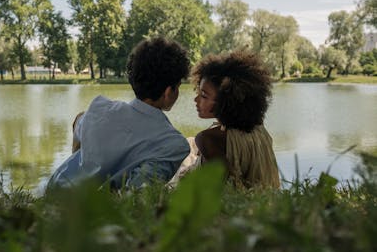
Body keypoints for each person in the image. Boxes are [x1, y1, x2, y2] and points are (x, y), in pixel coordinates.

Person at [47, 37, 191, 190]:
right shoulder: (174, 144)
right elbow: (138, 191)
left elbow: (78, 121)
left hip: (55, 189)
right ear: (169, 92)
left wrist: (83, 156)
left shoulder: (99, 109)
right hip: (88, 209)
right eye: (178, 86)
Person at [169, 50, 280, 189]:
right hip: (268, 201)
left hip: (239, 208)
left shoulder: (207, 139)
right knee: (190, 145)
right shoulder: (259, 130)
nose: (196, 100)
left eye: (204, 95)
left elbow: (221, 190)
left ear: (227, 101)